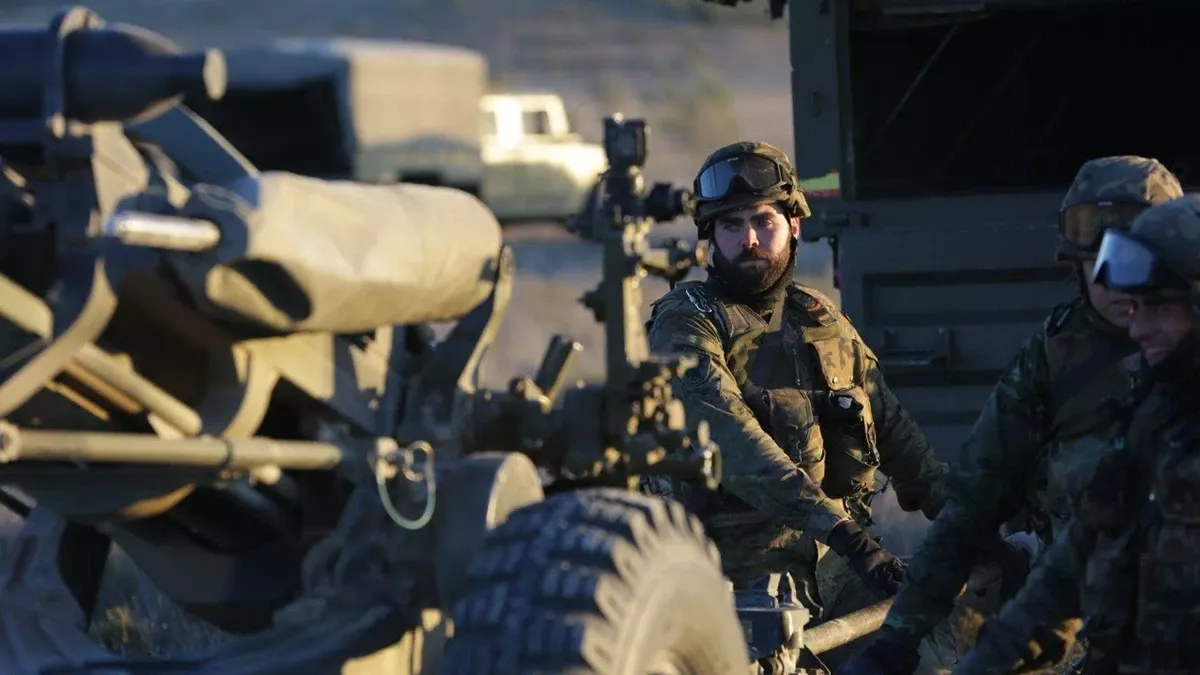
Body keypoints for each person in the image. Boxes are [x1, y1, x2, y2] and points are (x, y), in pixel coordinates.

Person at [835, 156, 1184, 675]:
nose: (1116, 284)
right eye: (1098, 265)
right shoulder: (1057, 355)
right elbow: (975, 504)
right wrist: (897, 643)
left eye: (1135, 263)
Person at [645, 141, 947, 668]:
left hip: (835, 566)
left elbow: (896, 434)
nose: (750, 240)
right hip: (734, 575)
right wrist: (846, 536)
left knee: (949, 644)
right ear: (710, 237)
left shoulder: (818, 317)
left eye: (763, 221)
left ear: (794, 224)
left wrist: (970, 524)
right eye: (731, 226)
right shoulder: (687, 319)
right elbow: (734, 440)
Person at [951, 193, 1200, 675]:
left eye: (1161, 309)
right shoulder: (1157, 415)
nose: (1138, 329)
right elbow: (1071, 566)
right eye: (1136, 307)